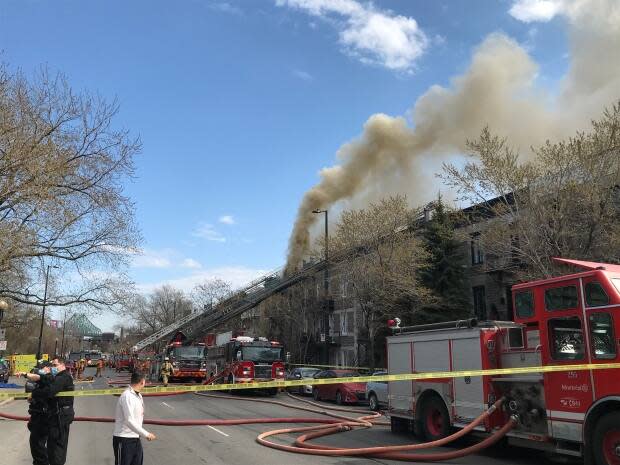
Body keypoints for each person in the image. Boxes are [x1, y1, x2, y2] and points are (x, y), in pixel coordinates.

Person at [20, 358, 75, 465]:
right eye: (51, 366)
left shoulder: (64, 377)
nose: (52, 368)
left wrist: (35, 393)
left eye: (55, 365)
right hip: (54, 417)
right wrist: (27, 375)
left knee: (56, 451)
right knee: (50, 448)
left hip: (60, 418)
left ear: (62, 365)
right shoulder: (57, 377)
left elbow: (50, 390)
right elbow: (44, 379)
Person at [113, 372, 156, 465]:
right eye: (145, 381)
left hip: (135, 438)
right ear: (142, 381)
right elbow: (129, 420)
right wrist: (146, 434)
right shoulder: (127, 396)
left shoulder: (138, 395)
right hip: (124, 439)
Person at [20, 361, 53, 465]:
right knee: (36, 446)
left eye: (42, 367)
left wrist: (34, 394)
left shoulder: (50, 379)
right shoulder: (43, 381)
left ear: (48, 368)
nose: (40, 370)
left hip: (42, 418)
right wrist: (33, 399)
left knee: (38, 446)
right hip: (37, 417)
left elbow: (45, 394)